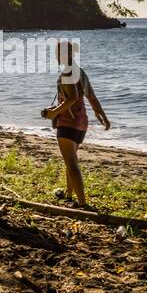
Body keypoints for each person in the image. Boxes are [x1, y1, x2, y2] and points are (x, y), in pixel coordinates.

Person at [41, 40, 110, 208]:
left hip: (68, 122)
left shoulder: (67, 73)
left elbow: (71, 98)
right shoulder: (80, 71)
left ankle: (82, 203)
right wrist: (102, 115)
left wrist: (54, 113)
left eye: (59, 52)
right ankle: (69, 194)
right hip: (81, 122)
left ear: (68, 54)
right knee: (70, 160)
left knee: (71, 163)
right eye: (57, 53)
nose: (57, 56)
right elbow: (90, 96)